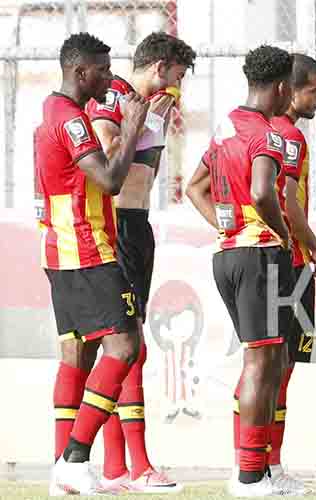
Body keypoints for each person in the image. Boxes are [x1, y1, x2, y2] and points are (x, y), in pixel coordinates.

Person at [185, 46, 302, 497]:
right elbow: (261, 191)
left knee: (267, 358)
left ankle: (256, 471)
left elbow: (195, 187)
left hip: (230, 255)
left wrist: (226, 226)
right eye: (288, 87)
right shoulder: (267, 134)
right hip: (259, 255)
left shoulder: (223, 126)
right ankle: (250, 475)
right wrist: (281, 232)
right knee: (261, 361)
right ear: (279, 88)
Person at [38, 33, 150, 495]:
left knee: (81, 354)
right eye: (103, 70)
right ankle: (76, 458)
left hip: (62, 250)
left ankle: (65, 469)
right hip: (87, 250)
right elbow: (109, 180)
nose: (110, 77)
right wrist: (130, 129)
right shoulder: (73, 120)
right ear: (80, 72)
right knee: (125, 346)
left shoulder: (54, 111)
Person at [85, 31, 196, 493]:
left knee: (128, 346)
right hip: (115, 226)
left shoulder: (146, 105)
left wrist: (155, 118)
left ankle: (118, 468)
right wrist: (143, 121)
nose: (178, 85)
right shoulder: (114, 98)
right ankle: (131, 464)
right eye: (176, 75)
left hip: (137, 226)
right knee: (125, 346)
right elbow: (108, 158)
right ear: (160, 67)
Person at [235, 53, 316, 492]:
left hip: (277, 260)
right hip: (286, 264)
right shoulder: (287, 136)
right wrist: (312, 247)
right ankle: (261, 467)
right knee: (272, 367)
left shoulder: (270, 132)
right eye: (315, 89)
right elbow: (286, 200)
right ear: (289, 90)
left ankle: (265, 465)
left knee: (274, 366)